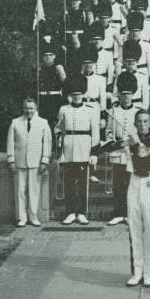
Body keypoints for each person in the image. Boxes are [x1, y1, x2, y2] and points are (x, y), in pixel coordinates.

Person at [124, 110, 150, 288]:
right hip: (133, 185)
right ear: (135, 124)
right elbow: (103, 148)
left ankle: (149, 273)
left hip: (149, 186)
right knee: (134, 229)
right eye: (139, 121)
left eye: (145, 121)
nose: (142, 124)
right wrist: (125, 141)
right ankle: (136, 271)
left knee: (149, 231)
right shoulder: (129, 142)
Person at [56, 77, 100, 225]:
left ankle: (81, 212)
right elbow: (59, 128)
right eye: (74, 94)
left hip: (84, 148)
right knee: (68, 182)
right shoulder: (64, 109)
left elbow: (95, 132)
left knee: (82, 183)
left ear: (83, 94)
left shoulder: (91, 110)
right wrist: (59, 149)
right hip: (68, 148)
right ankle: (69, 212)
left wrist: (94, 152)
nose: (76, 97)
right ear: (70, 95)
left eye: (79, 94)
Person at [6, 98, 53, 227]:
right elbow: (10, 143)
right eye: (26, 108)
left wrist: (44, 161)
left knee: (34, 190)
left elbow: (47, 144)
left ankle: (33, 216)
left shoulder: (43, 123)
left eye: (31, 108)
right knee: (20, 190)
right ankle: (22, 217)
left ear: (35, 109)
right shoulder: (15, 122)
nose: (29, 111)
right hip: (20, 162)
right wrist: (11, 160)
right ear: (23, 109)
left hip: (36, 163)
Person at [105, 74, 139, 226]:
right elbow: (108, 131)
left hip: (132, 153)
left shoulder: (138, 111)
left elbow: (143, 133)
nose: (126, 97)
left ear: (133, 95)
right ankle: (118, 213)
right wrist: (114, 141)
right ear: (119, 94)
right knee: (118, 184)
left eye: (129, 94)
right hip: (118, 152)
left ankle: (130, 214)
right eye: (123, 94)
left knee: (132, 185)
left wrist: (132, 141)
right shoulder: (113, 111)